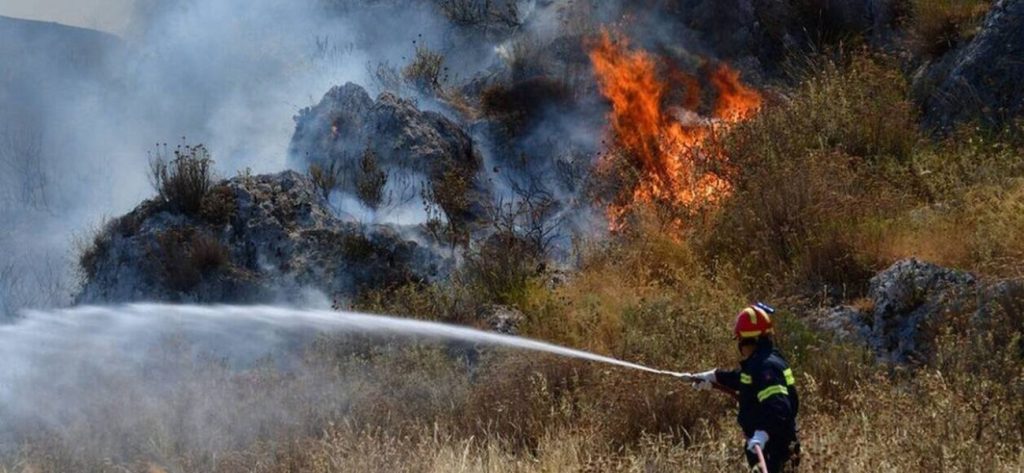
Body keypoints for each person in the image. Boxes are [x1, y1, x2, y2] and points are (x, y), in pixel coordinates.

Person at [683, 302, 800, 472]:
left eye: (739, 340)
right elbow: (744, 380)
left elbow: (779, 408)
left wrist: (763, 434)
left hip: (775, 447)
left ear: (749, 340)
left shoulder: (766, 367)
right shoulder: (761, 361)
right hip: (764, 445)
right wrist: (713, 376)